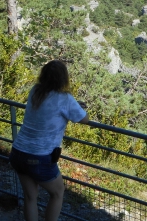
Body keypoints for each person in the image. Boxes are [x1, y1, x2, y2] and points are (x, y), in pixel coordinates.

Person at [9, 60, 89, 221]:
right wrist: (79, 107)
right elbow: (84, 119)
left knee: (30, 197)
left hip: (18, 152)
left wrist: (73, 105)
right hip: (39, 157)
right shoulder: (65, 99)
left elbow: (49, 105)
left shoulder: (35, 91)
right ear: (63, 79)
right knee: (58, 193)